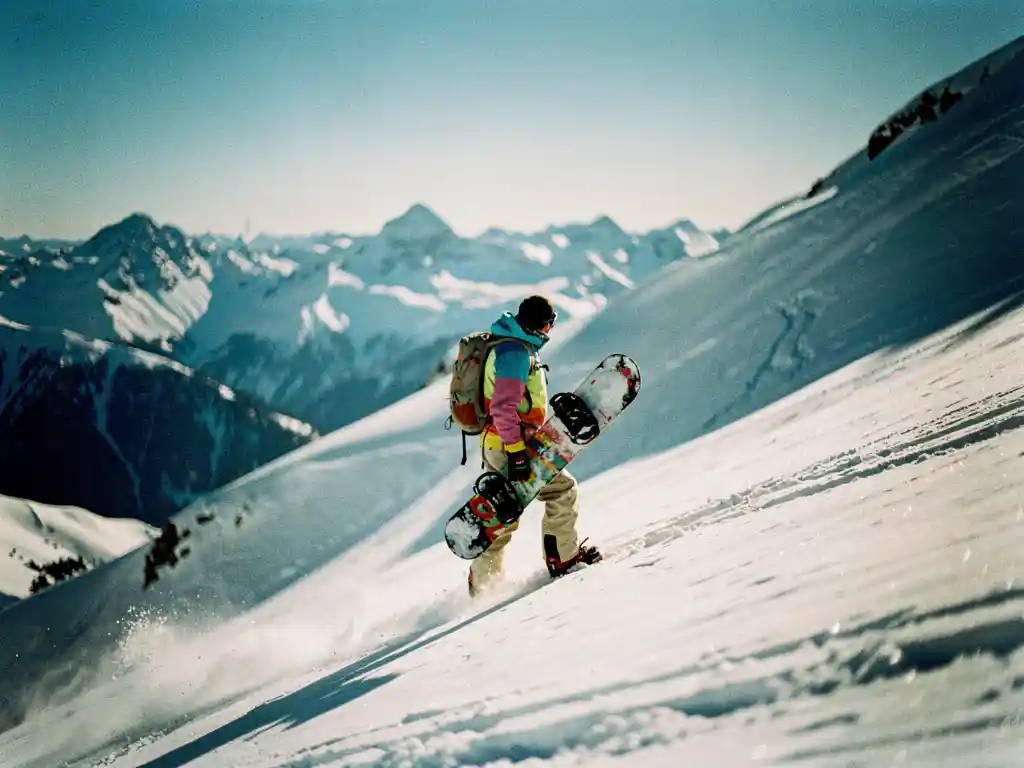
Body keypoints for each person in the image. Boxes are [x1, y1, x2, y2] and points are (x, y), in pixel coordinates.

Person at [468, 295, 602, 596]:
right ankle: (563, 560)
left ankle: (483, 583)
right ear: (537, 323)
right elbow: (503, 408)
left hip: (497, 442)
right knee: (563, 491)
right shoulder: (515, 353)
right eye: (547, 323)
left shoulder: (510, 344)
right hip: (510, 446)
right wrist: (516, 453)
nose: (548, 330)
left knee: (501, 513)